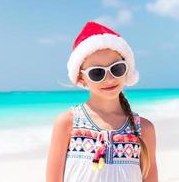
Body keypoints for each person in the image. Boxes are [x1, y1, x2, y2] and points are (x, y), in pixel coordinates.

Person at [46, 21, 158, 182]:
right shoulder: (67, 123)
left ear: (127, 70)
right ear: (81, 78)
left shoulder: (144, 129)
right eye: (97, 73)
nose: (110, 79)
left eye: (116, 68)